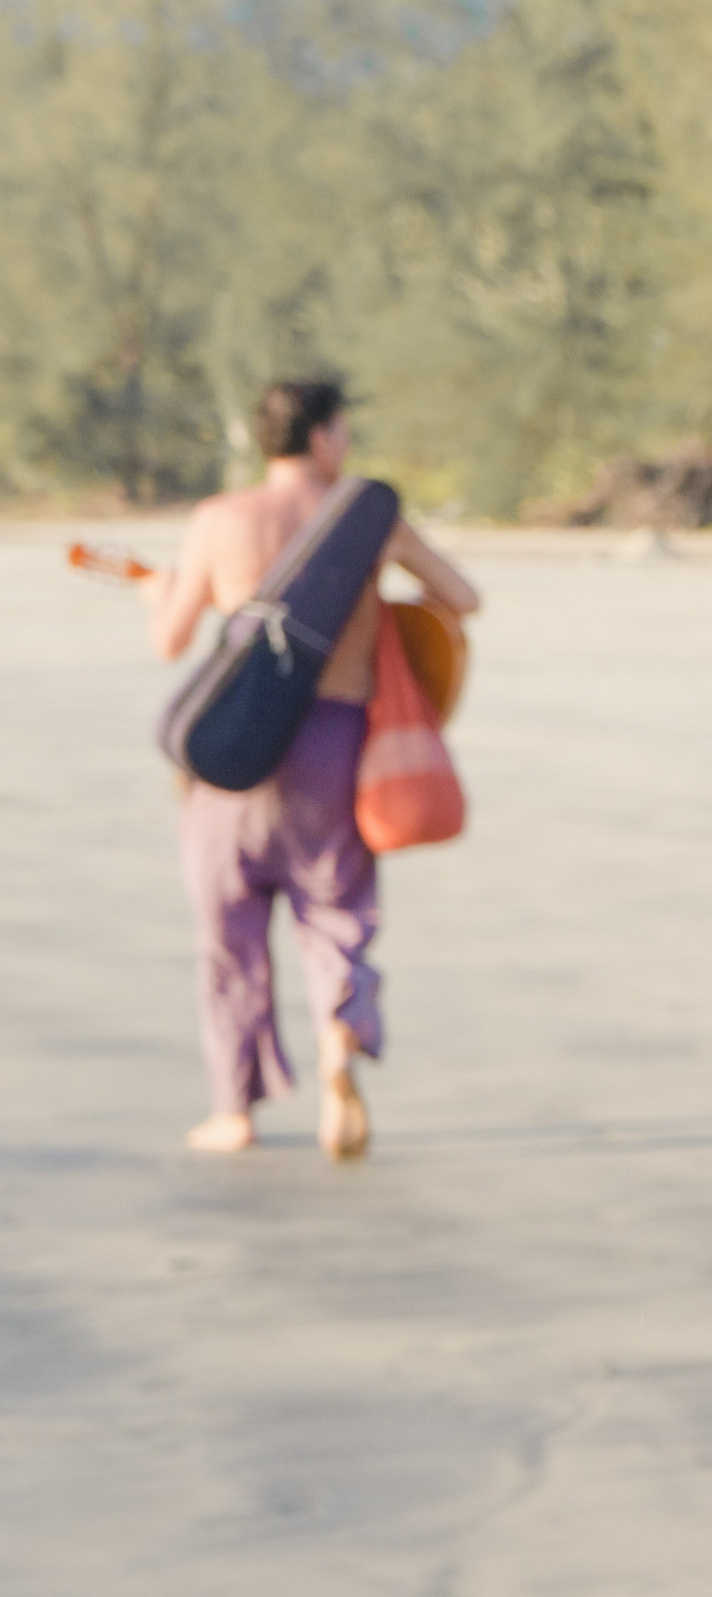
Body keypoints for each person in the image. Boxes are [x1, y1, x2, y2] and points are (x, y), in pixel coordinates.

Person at [139, 381, 481, 1158]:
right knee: (335, 910)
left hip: (233, 745)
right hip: (334, 740)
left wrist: (162, 592)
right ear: (324, 437)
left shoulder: (219, 520)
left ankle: (234, 1110)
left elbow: (169, 641)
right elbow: (462, 597)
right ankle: (340, 1034)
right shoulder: (369, 520)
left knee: (228, 926)